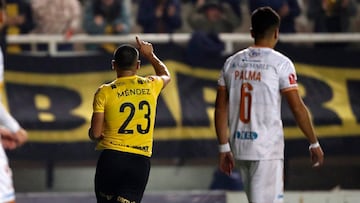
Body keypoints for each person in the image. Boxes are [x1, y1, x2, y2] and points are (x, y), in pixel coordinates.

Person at [214, 7, 324, 203]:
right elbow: (297, 108)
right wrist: (313, 141)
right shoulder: (280, 63)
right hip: (266, 149)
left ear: (251, 32)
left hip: (240, 147)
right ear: (276, 33)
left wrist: (224, 147)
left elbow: (221, 108)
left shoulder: (231, 63)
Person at [88, 36, 171, 203]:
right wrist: (150, 55)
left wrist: (95, 134)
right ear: (138, 66)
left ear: (113, 65)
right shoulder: (150, 84)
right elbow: (165, 74)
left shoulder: (105, 91)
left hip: (112, 158)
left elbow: (96, 133)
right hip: (140, 160)